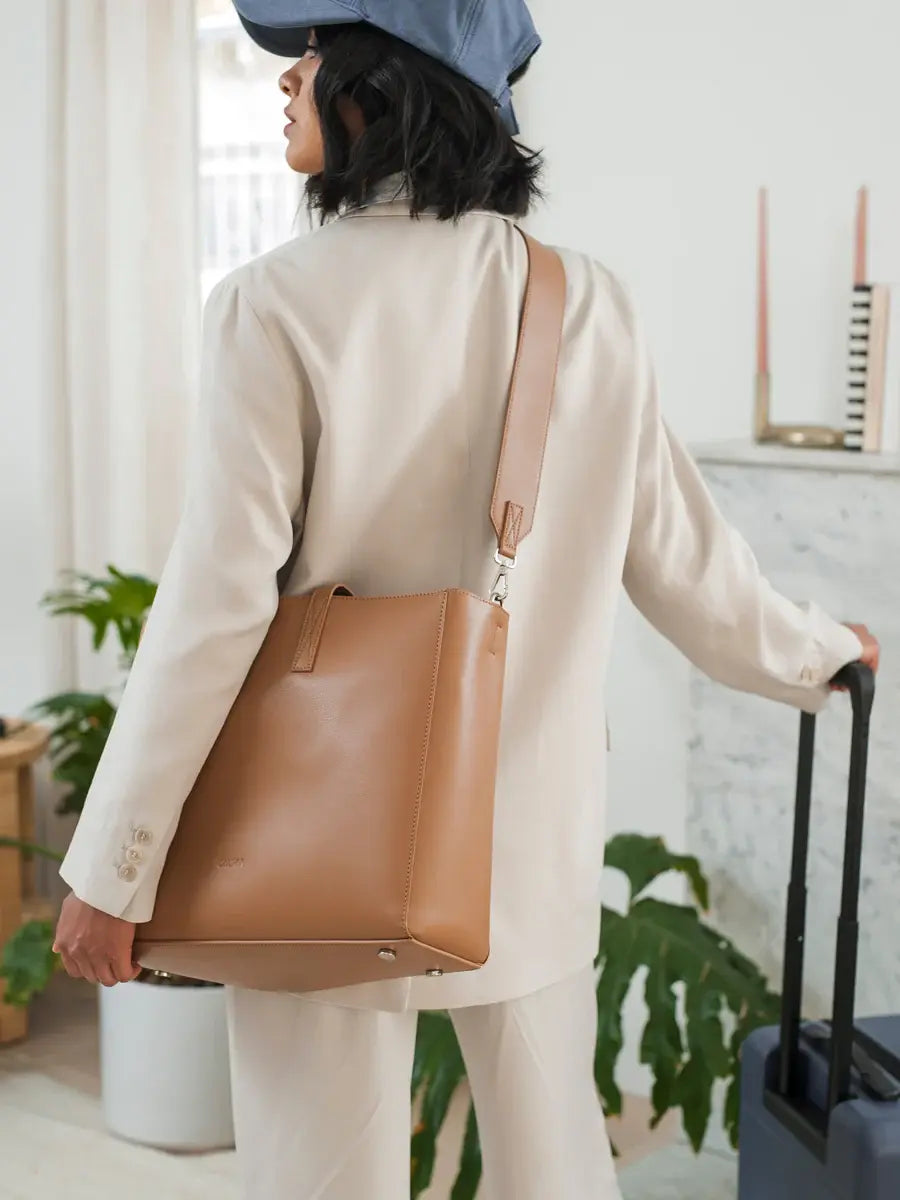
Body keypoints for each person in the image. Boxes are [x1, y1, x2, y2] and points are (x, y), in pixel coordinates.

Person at [53, 4, 880, 1197]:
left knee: (320, 1180)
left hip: (314, 837)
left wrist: (113, 869)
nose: (285, 82)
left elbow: (213, 611)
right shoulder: (583, 302)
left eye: (310, 56)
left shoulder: (272, 305)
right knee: (555, 1169)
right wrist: (819, 654)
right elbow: (687, 563)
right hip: (521, 848)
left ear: (375, 90)